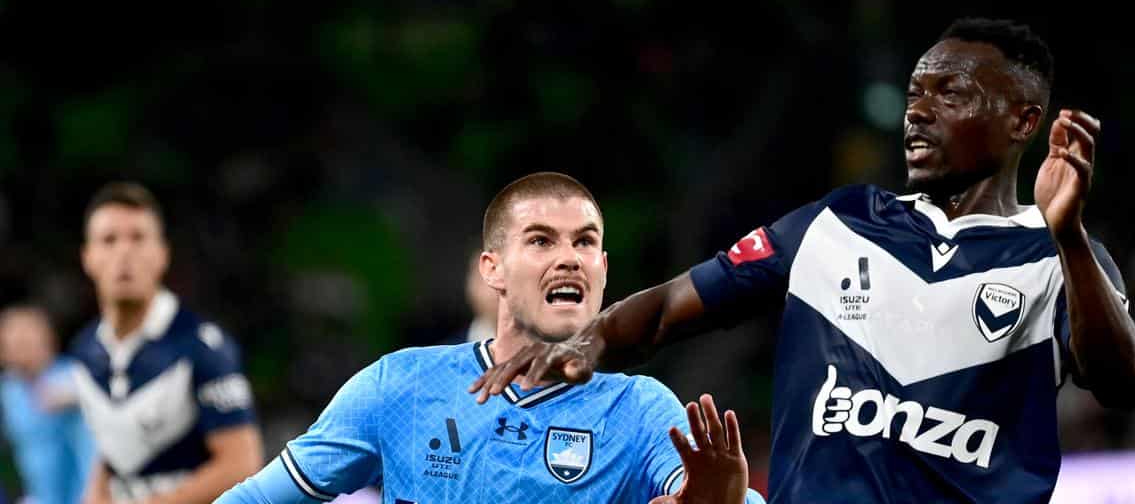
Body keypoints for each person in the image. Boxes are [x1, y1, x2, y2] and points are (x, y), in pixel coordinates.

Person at [472, 20, 1135, 503]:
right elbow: (667, 310)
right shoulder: (838, 222)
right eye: (916, 92)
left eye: (952, 94)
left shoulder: (1059, 255)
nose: (918, 112)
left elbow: (1120, 384)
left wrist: (1067, 238)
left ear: (1023, 122)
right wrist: (585, 343)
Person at [215, 172, 763, 504]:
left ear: (602, 269)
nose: (568, 257)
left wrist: (731, 497)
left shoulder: (639, 411)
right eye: (542, 241)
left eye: (585, 242)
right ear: (492, 269)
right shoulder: (399, 385)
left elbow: (713, 493)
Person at [69, 182, 263, 504]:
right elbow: (110, 451)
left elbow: (241, 464)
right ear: (87, 258)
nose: (124, 252)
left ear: (162, 255)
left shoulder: (203, 347)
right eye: (109, 240)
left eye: (138, 238)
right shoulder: (85, 351)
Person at [0, 305, 96, 504]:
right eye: (11, 339)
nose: (18, 344)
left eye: (26, 336)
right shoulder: (9, 389)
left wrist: (76, 395)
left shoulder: (75, 374)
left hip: (83, 495)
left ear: (49, 338)